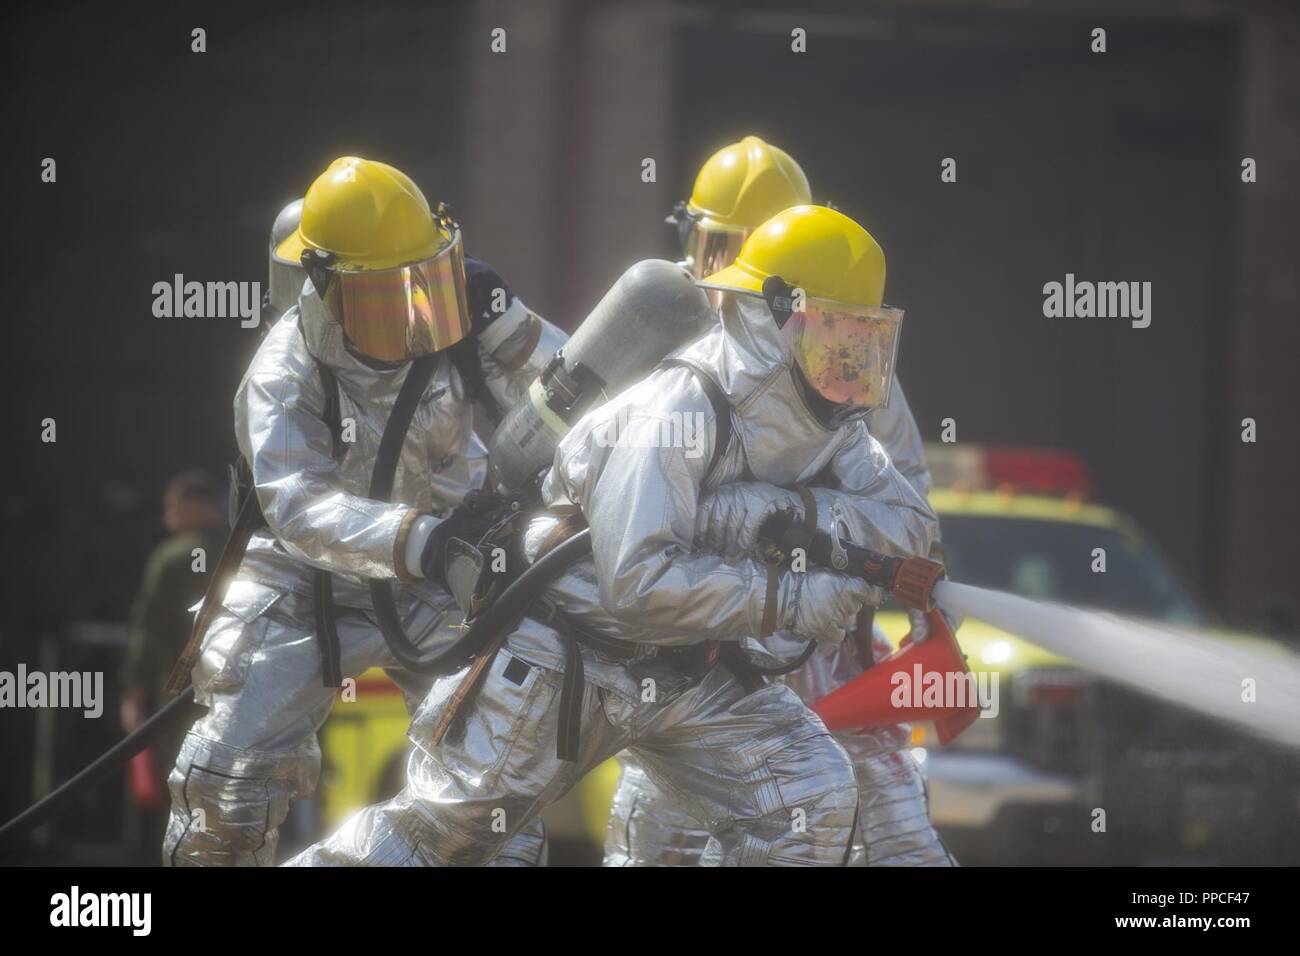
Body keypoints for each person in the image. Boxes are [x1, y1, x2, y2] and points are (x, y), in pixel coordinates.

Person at [286, 204, 940, 867]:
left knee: (811, 798)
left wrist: (773, 508)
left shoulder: (837, 423)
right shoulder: (679, 408)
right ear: (772, 317)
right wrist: (789, 598)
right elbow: (636, 580)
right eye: (833, 333)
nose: (848, 361)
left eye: (861, 338)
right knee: (438, 841)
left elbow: (912, 528)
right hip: (564, 656)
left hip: (685, 667)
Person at [162, 156, 565, 866]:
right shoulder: (284, 372)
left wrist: (516, 329)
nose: (411, 321)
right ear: (324, 291)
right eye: (385, 300)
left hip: (433, 579)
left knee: (497, 782)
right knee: (227, 783)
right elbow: (297, 504)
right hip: (295, 586)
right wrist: (421, 538)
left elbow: (599, 404)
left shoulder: (450, 338)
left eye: (424, 286)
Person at [606, 138, 955, 866]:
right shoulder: (663, 359)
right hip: (691, 652)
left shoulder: (846, 370)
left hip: (821, 648)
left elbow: (909, 508)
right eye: (717, 249)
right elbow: (628, 536)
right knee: (670, 843)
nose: (725, 281)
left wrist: (805, 536)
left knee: (888, 836)